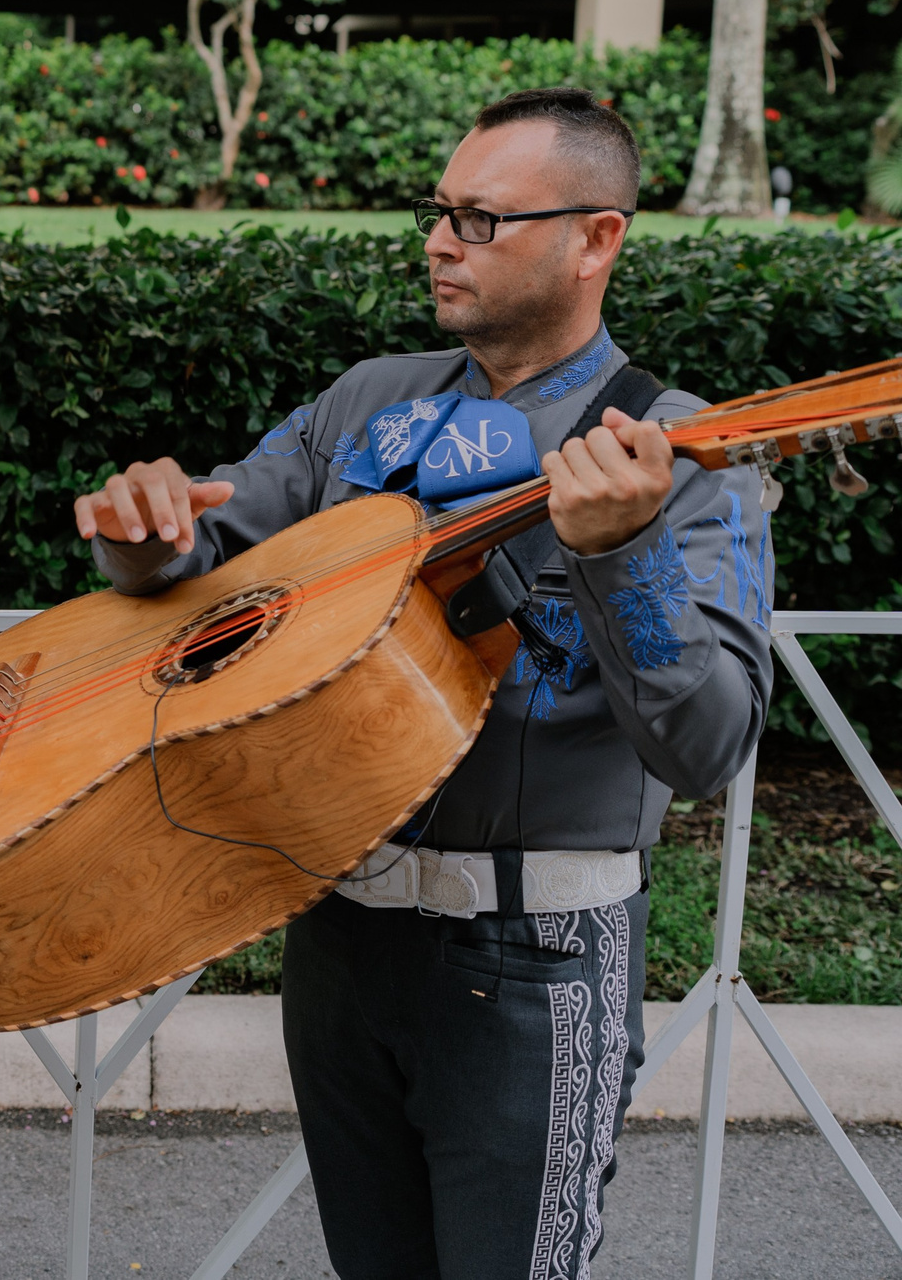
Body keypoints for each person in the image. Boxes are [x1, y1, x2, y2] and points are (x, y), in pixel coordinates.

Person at [73, 87, 770, 1280]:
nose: (441, 241)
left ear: (595, 238)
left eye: (483, 219)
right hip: (340, 946)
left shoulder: (682, 449)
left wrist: (623, 551)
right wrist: (141, 538)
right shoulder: (365, 403)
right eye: (437, 212)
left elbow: (705, 747)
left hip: (537, 953)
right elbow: (207, 557)